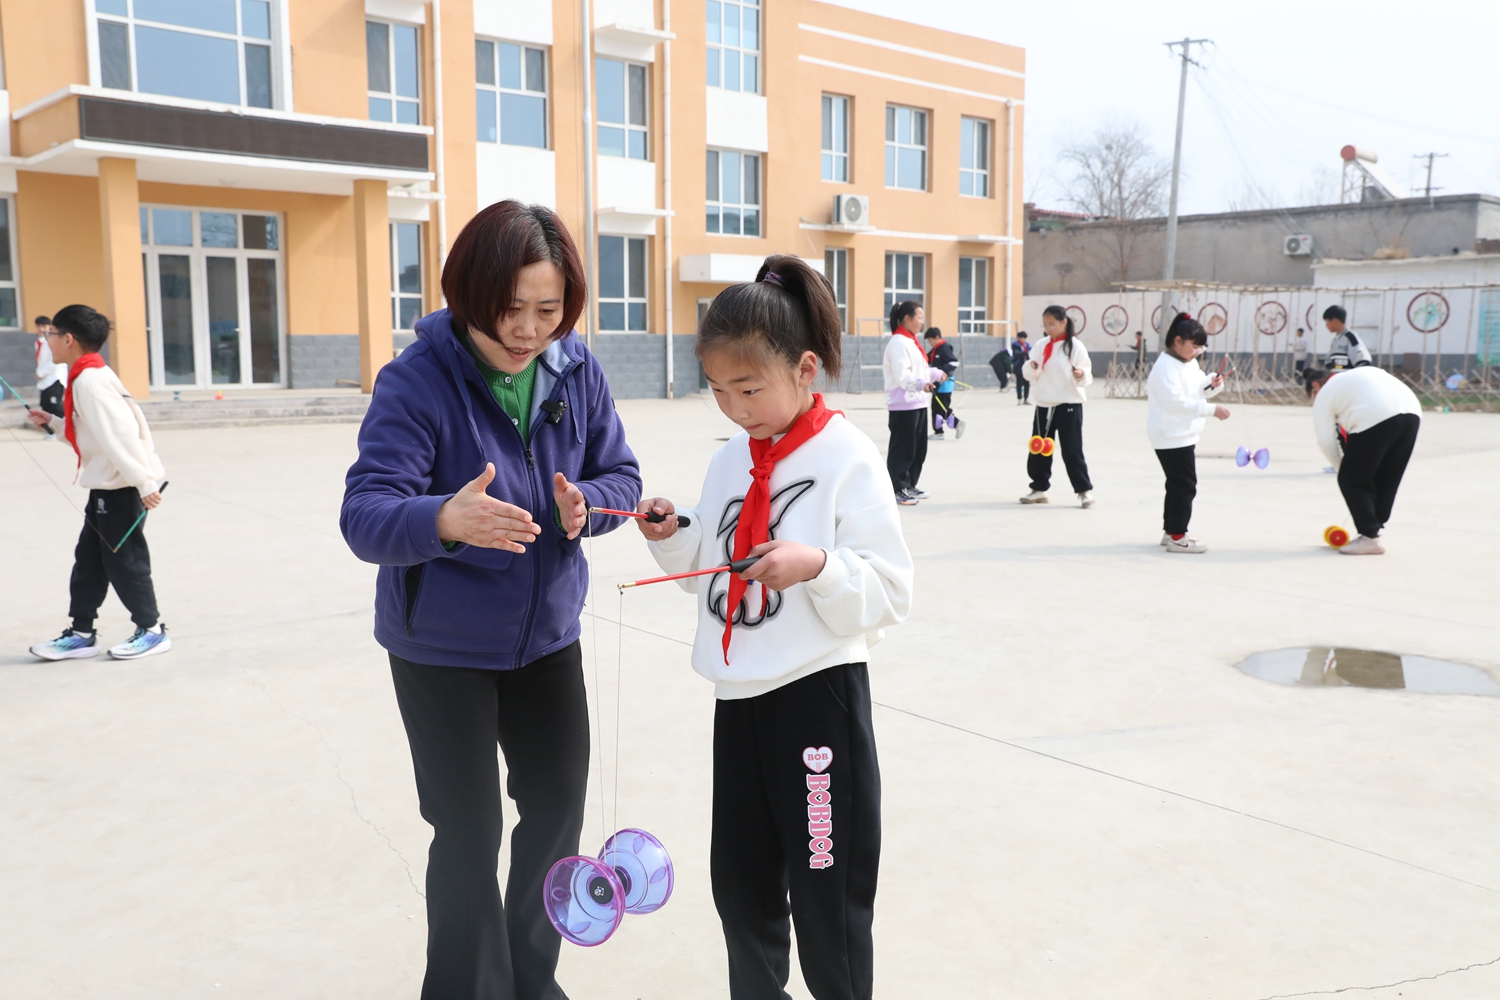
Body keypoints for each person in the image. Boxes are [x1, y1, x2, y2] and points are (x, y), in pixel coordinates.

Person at [340, 201, 643, 1000]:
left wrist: (590, 505)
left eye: (549, 311)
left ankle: (530, 980)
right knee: (468, 835)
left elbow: (622, 478)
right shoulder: (416, 381)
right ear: (470, 293)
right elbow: (365, 514)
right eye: (512, 310)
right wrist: (442, 517)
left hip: (547, 639)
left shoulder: (576, 370)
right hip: (441, 648)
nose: (529, 330)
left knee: (553, 820)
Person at [632, 254, 913, 1000]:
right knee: (742, 885)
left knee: (827, 890)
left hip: (816, 695)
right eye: (719, 391)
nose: (735, 407)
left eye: (749, 388)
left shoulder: (847, 457)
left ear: (805, 368)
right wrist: (672, 532)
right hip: (740, 700)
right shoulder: (731, 458)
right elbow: (718, 558)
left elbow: (889, 587)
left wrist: (816, 565)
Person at [27, 305, 170, 661]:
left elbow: (120, 436)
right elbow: (93, 433)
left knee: (125, 560)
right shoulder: (87, 375)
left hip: (121, 487)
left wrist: (144, 482)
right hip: (106, 486)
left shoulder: (90, 381)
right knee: (89, 560)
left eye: (52, 335)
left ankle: (151, 631)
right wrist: (53, 423)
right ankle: (81, 633)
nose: (48, 342)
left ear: (68, 339)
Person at [1304, 365, 1420, 555]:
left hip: (1376, 414)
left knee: (1351, 479)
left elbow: (1325, 441)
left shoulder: (1325, 393)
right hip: (1412, 413)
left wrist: (1343, 469)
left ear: (1315, 386)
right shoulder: (1351, 380)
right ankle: (1374, 527)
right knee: (1387, 475)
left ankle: (1369, 537)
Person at [1147, 314, 1230, 554]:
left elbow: (1195, 389)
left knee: (1176, 484)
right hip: (1170, 434)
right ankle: (1178, 536)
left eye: (1201, 347)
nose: (1197, 352)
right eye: (1194, 347)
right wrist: (1212, 410)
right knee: (1185, 485)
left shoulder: (1187, 362)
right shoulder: (1165, 366)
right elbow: (1177, 403)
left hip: (1182, 432)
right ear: (1177, 341)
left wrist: (1211, 383)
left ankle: (1170, 530)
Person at [1019, 305, 1095, 507]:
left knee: (1072, 449)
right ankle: (1038, 488)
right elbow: (1028, 370)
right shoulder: (1041, 344)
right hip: (1044, 403)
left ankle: (1083, 490)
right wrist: (1032, 367)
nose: (1048, 328)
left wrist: (1081, 375)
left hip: (1069, 403)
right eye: (1045, 325)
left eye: (1052, 324)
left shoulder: (1075, 346)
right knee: (1039, 447)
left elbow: (1087, 373)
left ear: (1064, 323)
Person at [882, 300, 944, 505]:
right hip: (903, 405)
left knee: (918, 448)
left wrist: (934, 374)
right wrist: (920, 384)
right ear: (907, 318)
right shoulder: (898, 342)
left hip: (918, 403)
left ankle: (909, 485)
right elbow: (903, 376)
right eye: (919, 317)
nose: (922, 322)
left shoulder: (911, 341)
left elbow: (920, 370)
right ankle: (897, 488)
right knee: (903, 449)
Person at [924, 327, 964, 440]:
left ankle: (957, 423)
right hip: (938, 384)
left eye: (930, 340)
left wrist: (942, 371)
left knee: (942, 407)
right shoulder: (936, 349)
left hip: (944, 384)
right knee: (937, 408)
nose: (930, 343)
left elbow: (954, 362)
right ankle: (939, 431)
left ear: (937, 337)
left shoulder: (944, 348)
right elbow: (926, 359)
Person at [33, 314, 66, 419]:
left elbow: (54, 361)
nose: (41, 329)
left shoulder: (51, 341)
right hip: (45, 380)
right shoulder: (39, 342)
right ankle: (52, 431)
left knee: (54, 404)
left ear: (49, 327)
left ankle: (70, 425)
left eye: (44, 326)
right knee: (45, 404)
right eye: (39, 326)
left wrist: (40, 373)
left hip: (54, 378)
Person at [1322, 305, 1372, 370]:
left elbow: (1362, 362)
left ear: (1334, 321)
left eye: (1327, 322)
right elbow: (1328, 362)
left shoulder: (1350, 338)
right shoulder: (1335, 340)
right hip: (1338, 378)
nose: (1326, 325)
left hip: (1348, 379)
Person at [1011, 331, 1031, 404]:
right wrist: (1026, 353)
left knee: (1027, 383)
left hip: (1027, 366)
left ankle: (1026, 399)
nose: (1024, 340)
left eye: (1025, 338)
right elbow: (1016, 353)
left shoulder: (1027, 345)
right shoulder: (1015, 345)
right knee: (1019, 382)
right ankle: (1019, 398)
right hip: (1019, 366)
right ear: (1018, 338)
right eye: (1022, 338)